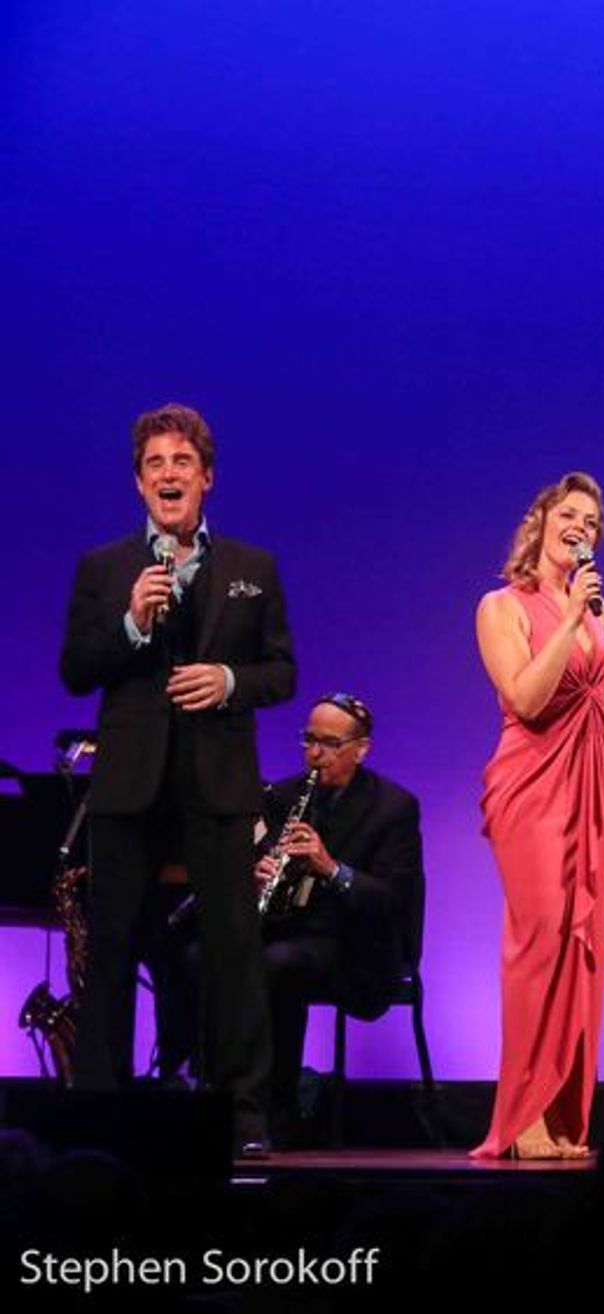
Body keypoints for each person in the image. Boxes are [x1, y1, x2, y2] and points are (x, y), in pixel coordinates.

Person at [59, 402, 295, 1156]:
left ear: (207, 478)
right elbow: (75, 670)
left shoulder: (253, 569)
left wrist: (228, 678)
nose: (169, 474)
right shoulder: (104, 568)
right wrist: (130, 622)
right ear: (139, 484)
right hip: (130, 782)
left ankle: (241, 1112)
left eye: (182, 462)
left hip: (218, 779)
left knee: (232, 947)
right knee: (113, 945)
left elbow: (282, 671)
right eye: (155, 464)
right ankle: (99, 1111)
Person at [473, 472, 604, 1158]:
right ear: (539, 523)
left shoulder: (597, 610)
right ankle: (523, 1118)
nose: (582, 527)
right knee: (540, 943)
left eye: (593, 522)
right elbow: (527, 699)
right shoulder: (501, 605)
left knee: (582, 948)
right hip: (531, 785)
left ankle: (566, 1115)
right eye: (569, 515)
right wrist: (568, 615)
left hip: (590, 783)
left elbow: (596, 704)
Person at [174, 693, 425, 1144]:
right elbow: (248, 862)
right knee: (199, 955)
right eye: (309, 740)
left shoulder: (394, 808)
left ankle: (277, 1106)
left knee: (278, 966)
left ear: (361, 749)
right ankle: (212, 1088)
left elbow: (393, 901)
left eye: (329, 744)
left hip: (355, 947)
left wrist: (330, 868)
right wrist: (254, 874)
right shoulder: (283, 796)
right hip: (286, 932)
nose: (315, 753)